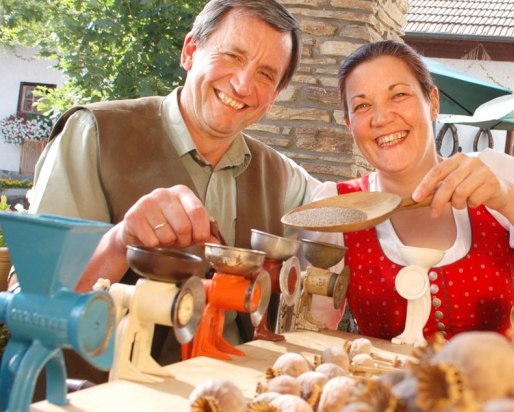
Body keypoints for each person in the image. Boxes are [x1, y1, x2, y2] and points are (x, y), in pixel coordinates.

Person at [24, 0, 318, 377]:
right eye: (231, 55)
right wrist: (120, 241)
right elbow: (34, 309)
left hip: (232, 397)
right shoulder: (93, 133)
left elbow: (351, 211)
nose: (243, 84)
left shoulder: (283, 176)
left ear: (274, 95)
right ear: (190, 51)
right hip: (99, 405)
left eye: (265, 74)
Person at [305, 40, 514, 340]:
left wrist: (507, 197)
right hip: (386, 395)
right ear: (349, 124)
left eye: (398, 95)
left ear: (432, 102)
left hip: (498, 394)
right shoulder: (338, 209)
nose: (381, 118)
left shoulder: (496, 178)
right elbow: (313, 333)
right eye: (362, 106)